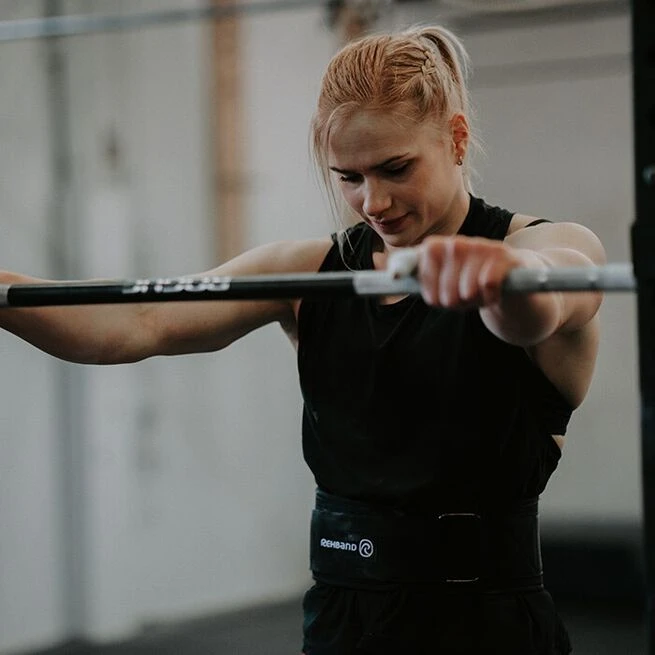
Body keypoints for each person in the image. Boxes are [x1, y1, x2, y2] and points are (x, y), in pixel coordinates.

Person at [0, 24, 604, 655]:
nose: (373, 201)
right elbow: (138, 322)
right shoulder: (309, 273)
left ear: (456, 138)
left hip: (488, 629)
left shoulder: (542, 248)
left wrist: (500, 278)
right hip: (344, 623)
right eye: (349, 177)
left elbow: (546, 298)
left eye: (395, 169)